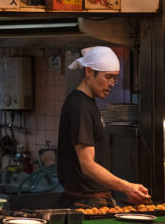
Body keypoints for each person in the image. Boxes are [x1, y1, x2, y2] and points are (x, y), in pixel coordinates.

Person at [57, 46, 150, 208]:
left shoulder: (87, 102)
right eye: (108, 77)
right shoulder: (80, 108)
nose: (112, 83)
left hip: (93, 199)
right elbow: (87, 165)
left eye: (115, 78)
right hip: (86, 203)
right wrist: (126, 187)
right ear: (88, 71)